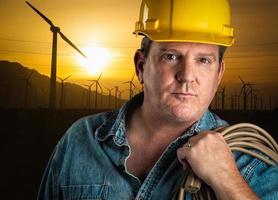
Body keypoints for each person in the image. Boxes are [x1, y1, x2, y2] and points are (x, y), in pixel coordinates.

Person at [38, 0, 278, 199]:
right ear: (141, 66)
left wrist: (226, 179)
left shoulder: (248, 162)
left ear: (219, 75)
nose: (187, 76)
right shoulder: (80, 140)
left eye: (203, 60)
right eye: (171, 56)